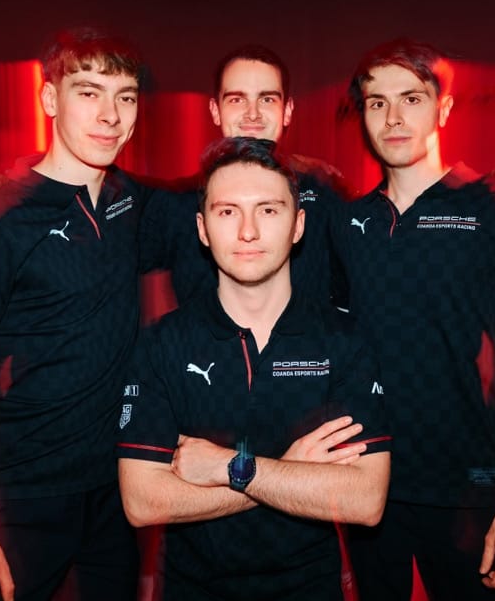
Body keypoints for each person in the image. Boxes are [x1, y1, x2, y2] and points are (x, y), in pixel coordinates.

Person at [0, 28, 148, 601]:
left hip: (113, 492)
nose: (111, 115)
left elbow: (222, 200)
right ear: (49, 99)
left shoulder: (129, 201)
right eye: (88, 92)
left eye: (126, 96)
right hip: (20, 500)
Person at [332, 39, 495, 600]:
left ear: (444, 108)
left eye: (411, 99)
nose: (393, 118)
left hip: (473, 492)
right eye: (377, 103)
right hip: (370, 486)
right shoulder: (348, 225)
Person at [117, 137, 391, 600]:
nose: (248, 231)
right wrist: (288, 472)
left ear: (298, 225)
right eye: (228, 212)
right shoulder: (163, 343)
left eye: (268, 210)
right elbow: (143, 502)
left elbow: (365, 500)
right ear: (203, 229)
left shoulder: (344, 341)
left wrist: (230, 467)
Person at [139, 45, 352, 309]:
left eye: (267, 99)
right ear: (215, 110)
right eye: (237, 100)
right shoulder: (175, 203)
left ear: (287, 110)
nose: (253, 114)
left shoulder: (324, 193)